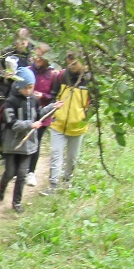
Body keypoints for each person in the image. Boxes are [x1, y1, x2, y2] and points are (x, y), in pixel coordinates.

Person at [0, 67, 61, 213]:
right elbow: (12, 123)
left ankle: (16, 202)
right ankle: (2, 188)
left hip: (28, 145)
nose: (29, 90)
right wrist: (29, 125)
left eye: (31, 87)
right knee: (10, 172)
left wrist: (52, 107)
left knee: (22, 174)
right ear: (19, 86)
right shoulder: (10, 102)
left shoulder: (34, 100)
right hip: (12, 144)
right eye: (26, 87)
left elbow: (39, 115)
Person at [46, 56, 92, 192]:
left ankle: (67, 181)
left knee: (72, 157)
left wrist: (85, 115)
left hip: (77, 126)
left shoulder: (89, 80)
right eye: (69, 62)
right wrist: (54, 110)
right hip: (58, 124)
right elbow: (53, 95)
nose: (71, 65)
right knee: (56, 153)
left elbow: (94, 103)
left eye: (75, 62)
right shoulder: (61, 76)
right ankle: (53, 185)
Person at [26, 43, 60, 187]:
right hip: (26, 111)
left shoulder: (53, 75)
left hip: (43, 114)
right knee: (23, 139)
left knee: (36, 142)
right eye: (36, 55)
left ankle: (31, 172)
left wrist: (43, 96)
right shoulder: (27, 70)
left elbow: (54, 96)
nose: (37, 59)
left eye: (41, 56)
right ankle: (19, 169)